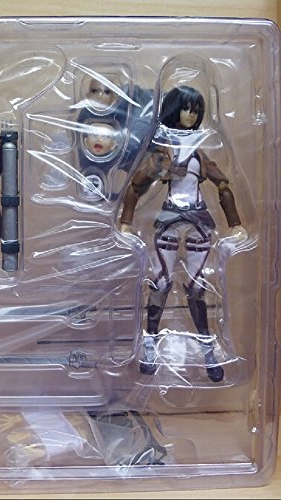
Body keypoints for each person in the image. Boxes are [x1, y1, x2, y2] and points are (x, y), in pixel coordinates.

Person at [119, 85, 247, 382]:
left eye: (195, 110)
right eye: (186, 108)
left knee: (197, 288)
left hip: (198, 219)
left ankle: (207, 351)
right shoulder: (163, 151)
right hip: (169, 219)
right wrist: (126, 221)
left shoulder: (200, 153)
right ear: (174, 110)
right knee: (161, 283)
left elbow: (223, 186)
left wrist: (235, 224)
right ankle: (150, 345)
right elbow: (136, 186)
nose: (191, 115)